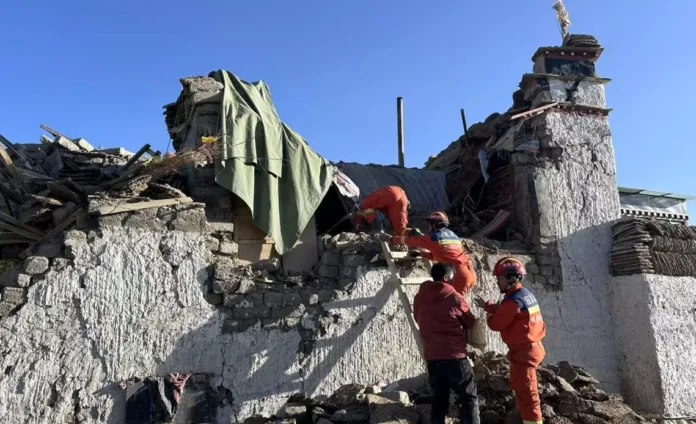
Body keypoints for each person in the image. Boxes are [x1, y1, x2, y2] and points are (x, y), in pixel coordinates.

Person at [473, 257, 546, 424]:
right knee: (520, 389)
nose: (497, 282)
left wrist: (490, 314)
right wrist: (489, 306)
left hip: (524, 353)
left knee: (528, 396)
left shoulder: (513, 301)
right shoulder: (522, 294)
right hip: (528, 349)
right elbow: (507, 310)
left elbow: (496, 323)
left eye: (499, 278)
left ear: (512, 278)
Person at [413, 262, 480, 424]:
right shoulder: (454, 297)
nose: (454, 281)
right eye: (452, 278)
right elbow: (470, 322)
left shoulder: (420, 296)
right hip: (454, 356)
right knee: (469, 398)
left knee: (439, 400)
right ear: (445, 278)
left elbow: (417, 318)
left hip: (432, 356)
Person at [393, 211, 477, 294]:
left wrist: (393, 240)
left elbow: (411, 241)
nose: (429, 227)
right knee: (454, 304)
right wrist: (421, 254)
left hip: (459, 276)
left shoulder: (434, 237)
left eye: (430, 224)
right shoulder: (454, 236)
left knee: (456, 306)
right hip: (470, 272)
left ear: (434, 224)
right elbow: (444, 255)